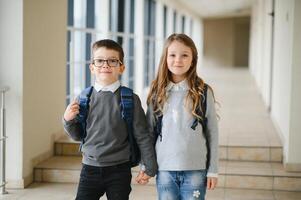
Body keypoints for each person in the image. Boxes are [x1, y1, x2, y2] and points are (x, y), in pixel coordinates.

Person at [63, 39, 157, 200]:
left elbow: (142, 135)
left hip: (119, 170)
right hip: (89, 168)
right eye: (99, 61)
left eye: (112, 61)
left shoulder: (130, 99)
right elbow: (79, 135)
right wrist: (67, 120)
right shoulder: (84, 98)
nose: (105, 65)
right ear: (92, 67)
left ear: (121, 67)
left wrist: (150, 166)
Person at [146, 33, 219, 200]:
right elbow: (149, 132)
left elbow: (212, 133)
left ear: (193, 60)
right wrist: (146, 164)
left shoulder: (203, 92)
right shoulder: (157, 93)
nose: (178, 60)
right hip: (164, 168)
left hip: (195, 169)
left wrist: (213, 169)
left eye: (184, 55)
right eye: (172, 55)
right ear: (165, 58)